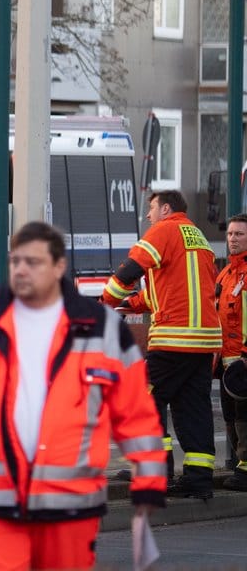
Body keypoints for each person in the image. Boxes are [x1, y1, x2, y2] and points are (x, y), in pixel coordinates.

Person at [0, 222, 166, 570]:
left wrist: (150, 479)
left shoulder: (103, 329)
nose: (21, 269)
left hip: (71, 507)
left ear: (59, 267)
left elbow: (135, 413)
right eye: (16, 261)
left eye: (33, 262)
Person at [102, 190, 220, 499]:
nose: (148, 216)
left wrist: (106, 301)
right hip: (203, 340)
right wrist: (136, 303)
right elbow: (176, 287)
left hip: (173, 338)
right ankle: (198, 480)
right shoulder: (198, 237)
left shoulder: (163, 230)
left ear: (166, 209)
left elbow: (131, 268)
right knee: (192, 407)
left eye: (151, 209)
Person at [217, 213, 247, 490]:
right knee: (231, 416)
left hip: (243, 361)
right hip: (229, 364)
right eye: (230, 234)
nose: (233, 239)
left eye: (239, 234)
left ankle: (245, 470)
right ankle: (240, 466)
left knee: (243, 417)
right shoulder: (226, 274)